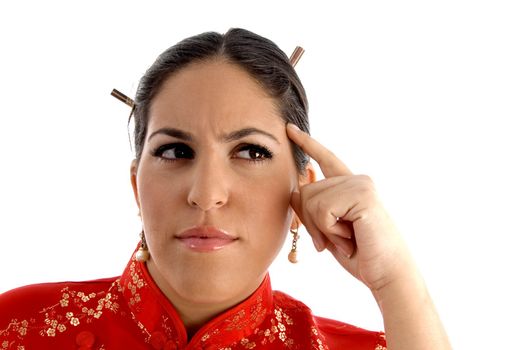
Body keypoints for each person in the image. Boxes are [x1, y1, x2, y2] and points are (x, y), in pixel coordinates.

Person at [0, 28, 450, 349]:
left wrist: (394, 279)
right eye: (176, 151)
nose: (207, 193)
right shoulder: (16, 327)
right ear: (137, 187)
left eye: (250, 152)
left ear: (302, 194)